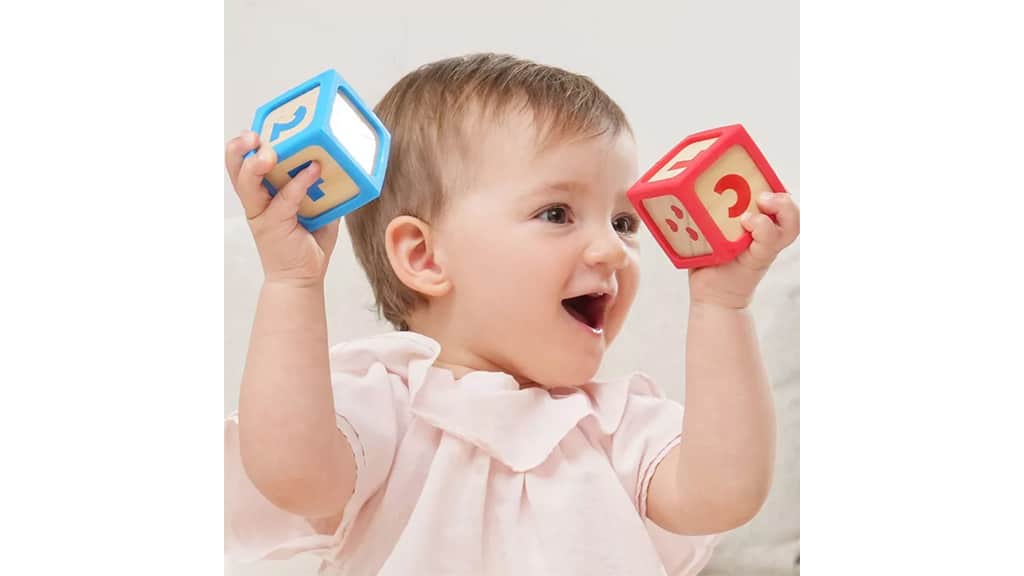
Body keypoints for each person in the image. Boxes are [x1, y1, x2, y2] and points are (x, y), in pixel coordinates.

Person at [224, 53, 800, 575]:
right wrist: (292, 282)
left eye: (624, 222)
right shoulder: (389, 407)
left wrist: (723, 306)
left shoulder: (618, 426)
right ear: (424, 257)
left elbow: (724, 494)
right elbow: (293, 475)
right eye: (557, 213)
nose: (612, 250)